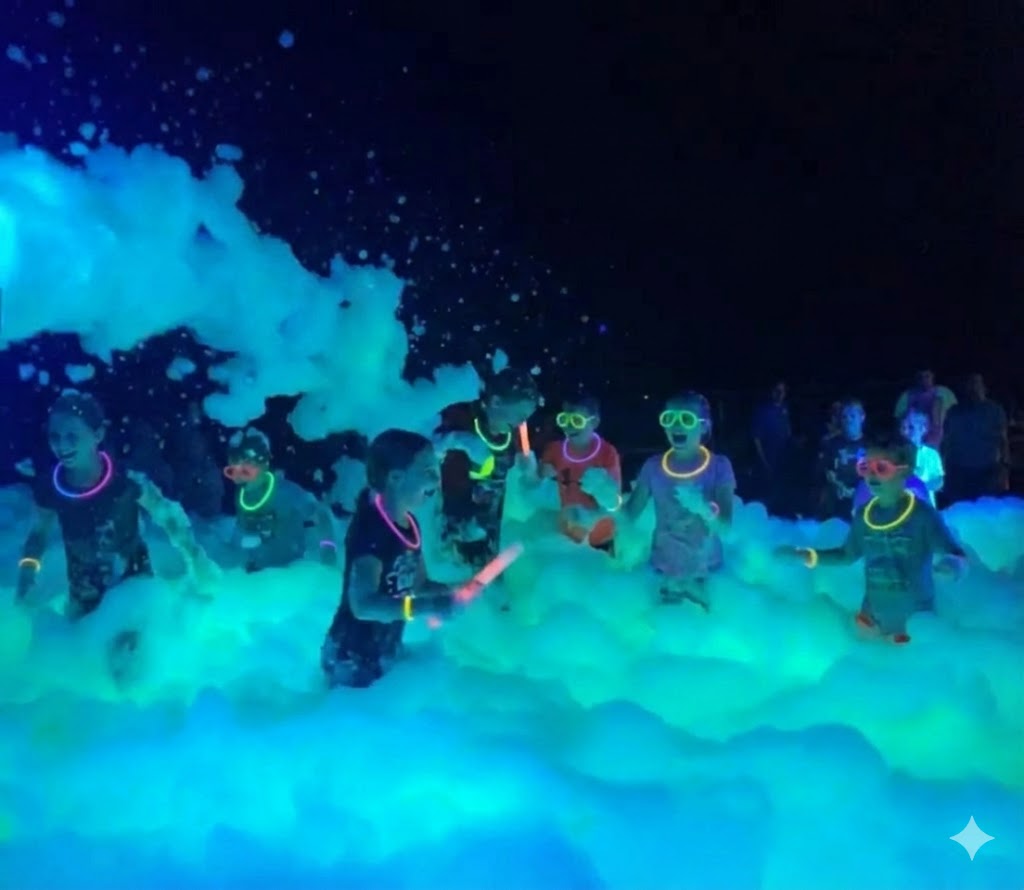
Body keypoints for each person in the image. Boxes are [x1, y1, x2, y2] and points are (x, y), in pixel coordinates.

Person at [16, 392, 218, 673]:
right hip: (84, 599)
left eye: (72, 436)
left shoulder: (126, 482)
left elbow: (169, 517)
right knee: (86, 671)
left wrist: (197, 560)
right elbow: (38, 535)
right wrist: (27, 571)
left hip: (133, 591)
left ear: (97, 434)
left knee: (126, 667)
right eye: (55, 436)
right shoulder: (52, 489)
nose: (61, 446)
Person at [777, 435, 966, 644]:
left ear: (905, 470)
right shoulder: (864, 515)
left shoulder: (922, 516)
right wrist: (806, 555)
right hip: (870, 621)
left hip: (913, 627)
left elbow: (955, 553)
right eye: (866, 468)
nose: (872, 476)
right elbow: (846, 555)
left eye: (881, 468)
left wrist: (951, 566)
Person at [321, 430, 464, 688]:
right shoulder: (371, 529)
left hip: (384, 650)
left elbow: (417, 585)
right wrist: (428, 608)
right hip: (351, 657)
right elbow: (363, 605)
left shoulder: (410, 525)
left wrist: (452, 592)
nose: (437, 479)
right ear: (396, 478)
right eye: (428, 471)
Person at [622, 392, 735, 610]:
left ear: (704, 427)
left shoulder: (719, 466)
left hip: (706, 570)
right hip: (663, 568)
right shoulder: (653, 467)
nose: (676, 425)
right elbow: (628, 517)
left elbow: (726, 525)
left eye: (686, 419)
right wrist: (605, 498)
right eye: (669, 418)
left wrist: (703, 509)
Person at [435, 368, 539, 569]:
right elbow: (427, 448)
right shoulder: (460, 418)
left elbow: (528, 479)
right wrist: (458, 440)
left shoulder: (514, 435)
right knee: (452, 571)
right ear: (496, 402)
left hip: (489, 524)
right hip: (450, 525)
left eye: (526, 416)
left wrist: (529, 471)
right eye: (520, 414)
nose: (522, 422)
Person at [224, 429, 337, 572]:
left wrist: (328, 549)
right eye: (233, 470)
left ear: (264, 463)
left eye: (246, 470)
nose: (240, 477)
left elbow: (321, 515)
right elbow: (240, 533)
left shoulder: (285, 491)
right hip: (257, 577)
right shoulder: (243, 497)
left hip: (289, 574)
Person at [539, 395, 622, 552]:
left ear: (594, 422)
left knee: (598, 569)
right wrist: (538, 473)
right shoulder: (555, 450)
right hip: (568, 526)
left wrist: (603, 489)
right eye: (564, 420)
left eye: (577, 421)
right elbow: (535, 481)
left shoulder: (607, 453)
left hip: (600, 528)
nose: (569, 427)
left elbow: (615, 502)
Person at [941, 374, 1010, 503]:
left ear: (984, 388)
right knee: (960, 511)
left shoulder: (995, 410)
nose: (973, 388)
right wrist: (943, 467)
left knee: (987, 510)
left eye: (976, 384)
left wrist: (1005, 467)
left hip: (987, 471)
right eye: (970, 384)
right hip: (958, 471)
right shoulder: (954, 411)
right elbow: (946, 440)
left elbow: (1003, 440)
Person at [816, 398, 867, 518]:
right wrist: (835, 483)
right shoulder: (831, 444)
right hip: (835, 507)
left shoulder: (871, 445)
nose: (848, 420)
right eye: (844, 417)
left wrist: (858, 492)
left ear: (862, 417)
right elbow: (823, 471)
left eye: (852, 416)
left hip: (862, 507)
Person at [752, 381, 792, 515]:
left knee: (780, 492)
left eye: (783, 391)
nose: (780, 394)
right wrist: (764, 461)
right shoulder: (763, 411)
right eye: (777, 390)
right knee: (765, 493)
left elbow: (787, 431)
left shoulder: (784, 409)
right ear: (771, 391)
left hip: (783, 459)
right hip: (768, 458)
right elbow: (756, 438)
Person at [894, 369, 957, 448]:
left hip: (939, 441)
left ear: (933, 376)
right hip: (913, 442)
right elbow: (900, 425)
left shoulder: (944, 393)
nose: (924, 380)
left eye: (927, 376)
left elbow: (954, 418)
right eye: (920, 377)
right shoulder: (906, 396)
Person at [900, 409, 944, 506]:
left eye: (911, 427)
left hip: (925, 508)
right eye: (904, 427)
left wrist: (919, 486)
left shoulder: (930, 454)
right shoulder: (894, 453)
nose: (906, 431)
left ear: (923, 429)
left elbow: (939, 482)